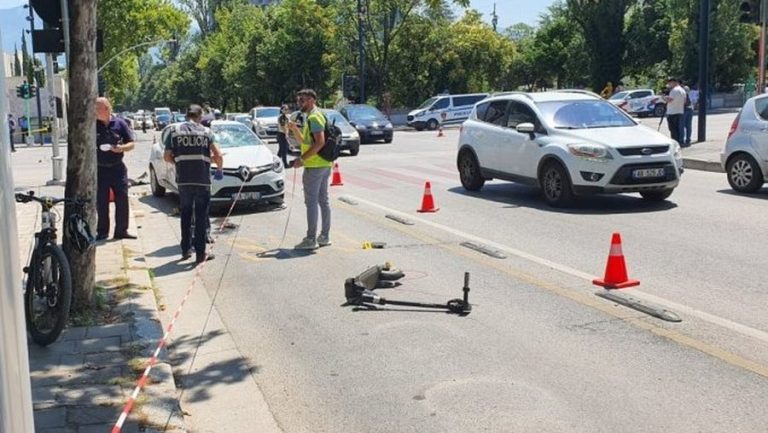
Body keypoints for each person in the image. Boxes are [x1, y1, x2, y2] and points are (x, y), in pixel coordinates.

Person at [163, 104, 223, 264]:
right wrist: (219, 169)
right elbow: (218, 154)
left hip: (183, 180)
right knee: (201, 217)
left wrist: (179, 162)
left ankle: (186, 250)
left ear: (186, 115)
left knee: (186, 214)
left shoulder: (174, 132)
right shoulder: (206, 132)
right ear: (200, 116)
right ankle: (200, 254)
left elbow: (167, 156)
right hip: (202, 180)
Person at [288, 89, 332, 250]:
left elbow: (319, 142)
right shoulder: (315, 116)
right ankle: (324, 236)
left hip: (315, 165)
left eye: (303, 100)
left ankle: (311, 239)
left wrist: (301, 159)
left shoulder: (314, 117)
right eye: (299, 100)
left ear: (312, 100)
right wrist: (294, 129)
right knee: (323, 201)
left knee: (312, 202)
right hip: (323, 164)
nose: (300, 103)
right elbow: (305, 141)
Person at [95, 97, 136, 240]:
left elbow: (131, 143)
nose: (94, 111)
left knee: (122, 198)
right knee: (101, 200)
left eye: (97, 108)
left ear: (106, 108)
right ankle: (102, 231)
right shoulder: (93, 125)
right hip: (100, 169)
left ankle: (121, 231)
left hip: (117, 168)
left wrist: (121, 148)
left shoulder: (120, 123)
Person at [664, 77, 686, 146]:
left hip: (672, 112)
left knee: (673, 130)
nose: (669, 85)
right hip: (680, 111)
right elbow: (685, 101)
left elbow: (669, 100)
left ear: (673, 82)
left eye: (669, 83)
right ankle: (680, 142)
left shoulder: (674, 90)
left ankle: (675, 143)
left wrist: (664, 98)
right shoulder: (683, 90)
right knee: (679, 129)